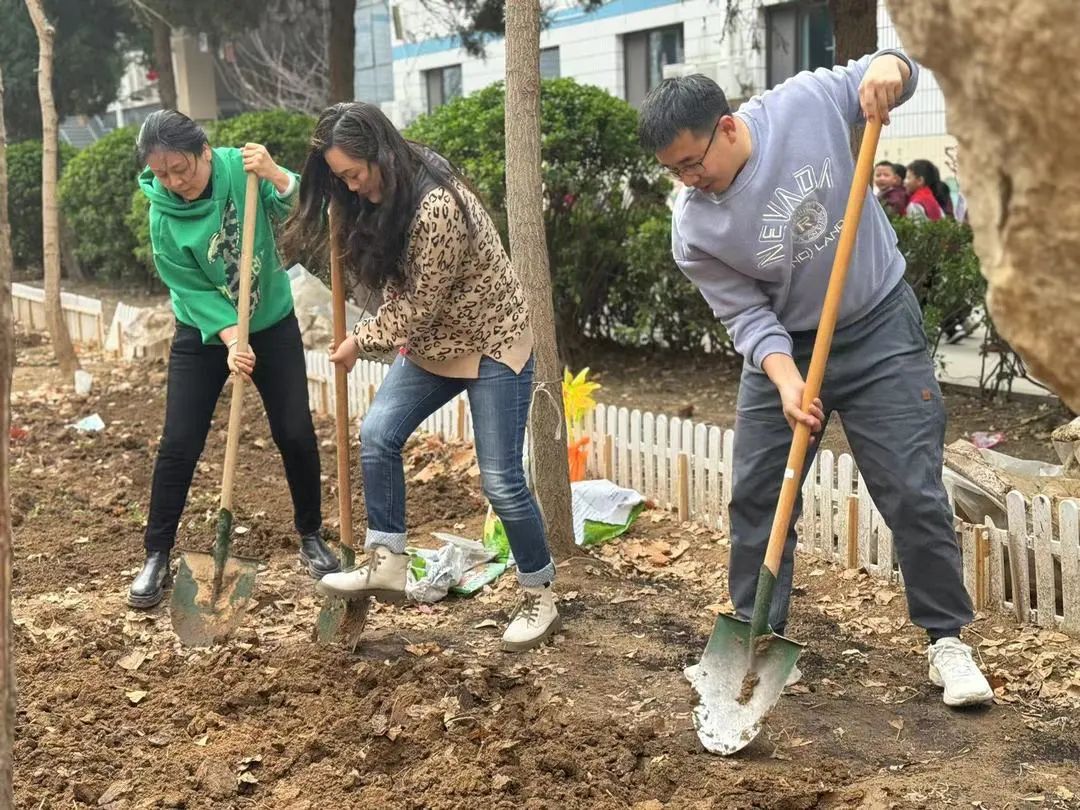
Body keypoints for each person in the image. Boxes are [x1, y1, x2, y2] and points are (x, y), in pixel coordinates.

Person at [637, 52, 994, 706]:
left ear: (727, 126)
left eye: (693, 162)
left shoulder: (801, 104)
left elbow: (889, 69)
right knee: (758, 492)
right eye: (673, 171)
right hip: (789, 347)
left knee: (912, 488)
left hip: (880, 323)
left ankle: (947, 641)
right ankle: (756, 638)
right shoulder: (694, 226)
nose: (689, 180)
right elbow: (744, 314)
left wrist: (893, 70)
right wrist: (784, 377)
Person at [281, 102, 560, 652]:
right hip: (434, 346)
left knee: (501, 481)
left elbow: (420, 305)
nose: (352, 188)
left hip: (490, 345)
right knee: (378, 436)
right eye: (342, 179)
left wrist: (360, 342)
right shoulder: (379, 189)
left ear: (380, 154)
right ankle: (386, 561)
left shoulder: (435, 204)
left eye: (354, 175)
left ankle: (540, 593)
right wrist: (323, 190)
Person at [127, 110, 340, 608]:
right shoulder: (162, 215)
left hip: (271, 321)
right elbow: (187, 285)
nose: (175, 182)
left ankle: (310, 535)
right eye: (162, 173)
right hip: (203, 331)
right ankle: (156, 554)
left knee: (294, 431)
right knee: (179, 442)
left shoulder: (239, 171)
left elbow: (306, 208)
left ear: (204, 151)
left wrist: (275, 173)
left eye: (183, 168)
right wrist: (228, 335)